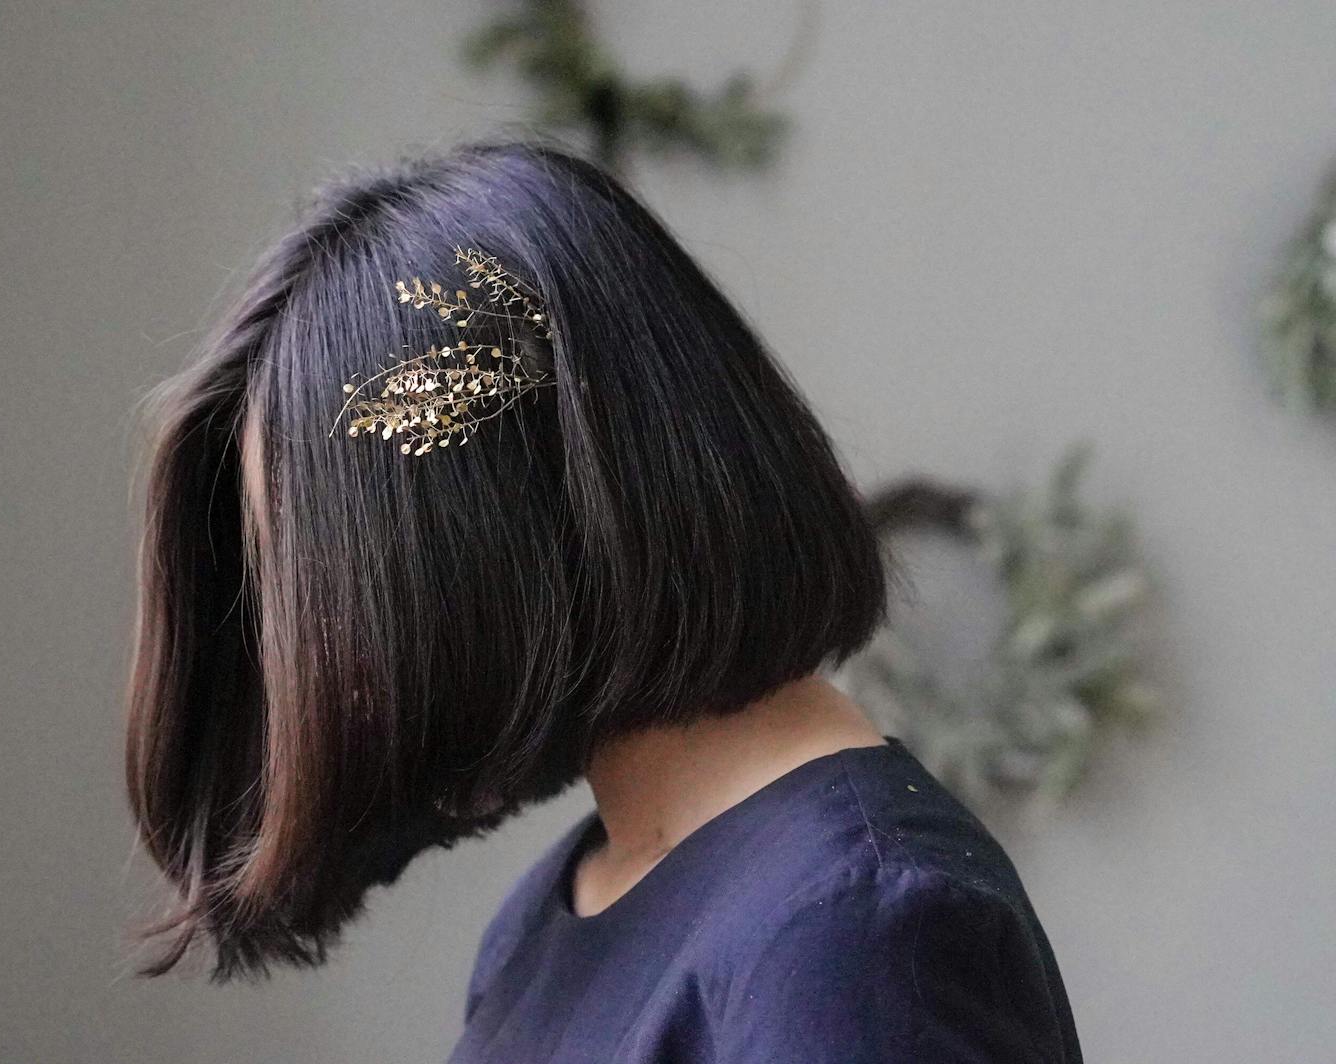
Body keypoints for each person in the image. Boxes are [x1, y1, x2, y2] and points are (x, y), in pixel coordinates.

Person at [123, 139, 1082, 1062]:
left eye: (309, 561)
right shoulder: (567, 901)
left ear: (478, 535)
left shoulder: (853, 935)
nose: (297, 635)